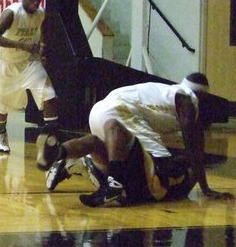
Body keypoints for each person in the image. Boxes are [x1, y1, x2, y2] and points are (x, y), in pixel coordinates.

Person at [45, 73, 234, 207]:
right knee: (119, 130)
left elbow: (194, 148)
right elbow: (193, 146)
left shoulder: (166, 92)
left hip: (99, 110)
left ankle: (61, 153)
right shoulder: (188, 99)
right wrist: (205, 187)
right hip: (118, 114)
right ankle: (114, 186)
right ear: (202, 95)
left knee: (95, 142)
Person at [0, 0, 59, 158]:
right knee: (4, 105)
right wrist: (21, 45)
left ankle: (52, 140)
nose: (36, 3)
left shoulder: (41, 14)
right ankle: (0, 132)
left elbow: (44, 32)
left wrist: (42, 48)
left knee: (49, 94)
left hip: (27, 64)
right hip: (5, 65)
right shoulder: (12, 13)